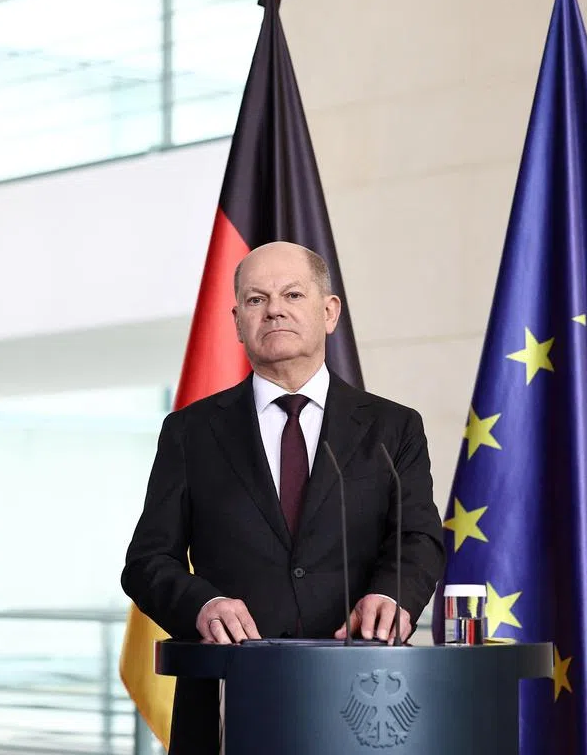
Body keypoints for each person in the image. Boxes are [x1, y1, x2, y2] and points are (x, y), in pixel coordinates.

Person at [121, 241, 445, 754]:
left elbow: (418, 537)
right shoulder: (190, 431)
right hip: (227, 697)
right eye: (255, 299)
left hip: (362, 697)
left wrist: (393, 595)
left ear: (329, 311)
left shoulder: (393, 427)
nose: (274, 308)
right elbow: (146, 562)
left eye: (293, 294)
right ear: (236, 321)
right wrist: (201, 604)